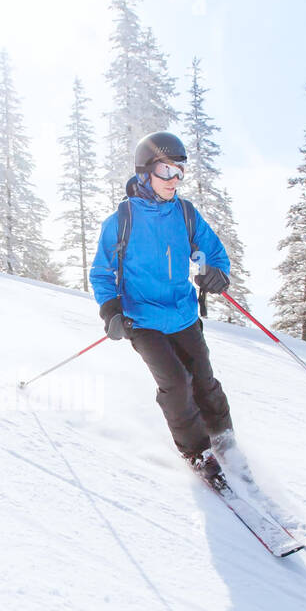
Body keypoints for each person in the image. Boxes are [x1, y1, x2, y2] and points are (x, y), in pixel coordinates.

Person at [89, 131, 237, 480]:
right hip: (142, 320)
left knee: (204, 380)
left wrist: (215, 274)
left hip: (183, 314)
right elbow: (101, 272)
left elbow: (210, 252)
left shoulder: (185, 214)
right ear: (145, 173)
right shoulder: (122, 220)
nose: (175, 180)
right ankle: (197, 451)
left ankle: (224, 438)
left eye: (180, 171)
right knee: (176, 382)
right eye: (166, 171)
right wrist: (111, 311)